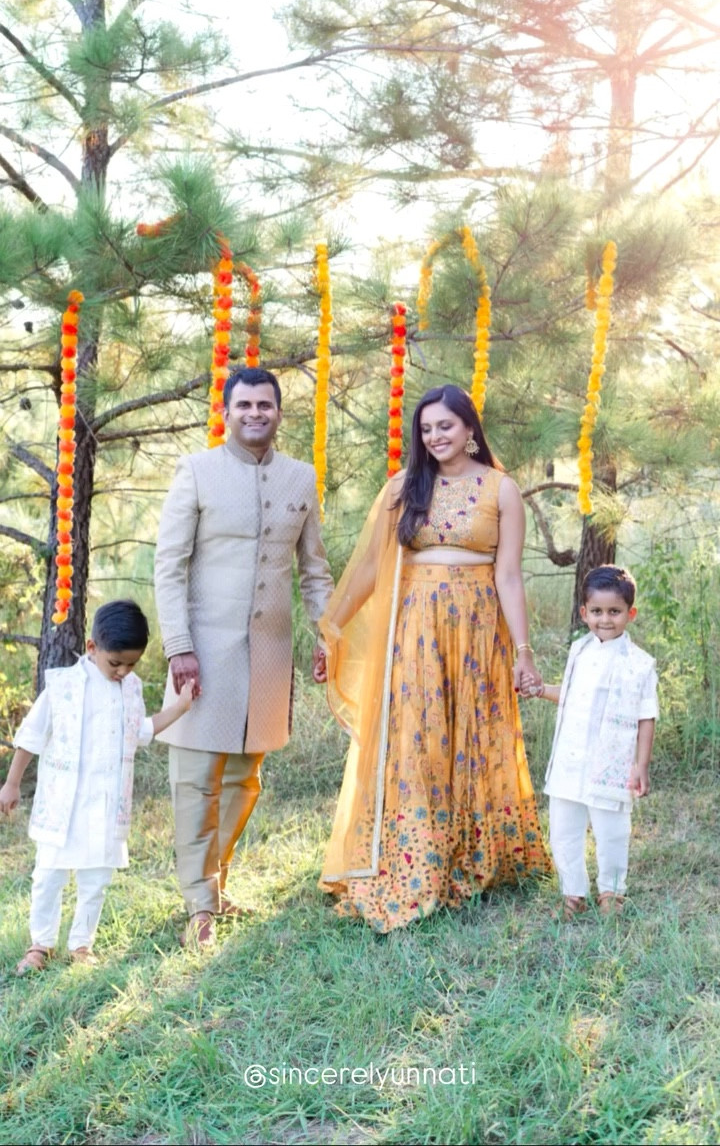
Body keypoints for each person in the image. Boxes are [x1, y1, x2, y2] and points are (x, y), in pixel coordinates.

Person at [318, 383, 552, 932]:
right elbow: (375, 569)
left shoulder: (501, 489)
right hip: (417, 627)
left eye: (445, 425)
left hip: (477, 629)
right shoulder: (404, 487)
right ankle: (416, 859)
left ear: (470, 428)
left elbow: (510, 575)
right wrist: (333, 625)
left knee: (474, 733)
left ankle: (477, 851)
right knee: (419, 736)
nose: (435, 436)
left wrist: (523, 652)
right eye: (426, 429)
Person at [154, 366, 333, 946]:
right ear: (226, 411)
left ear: (279, 413)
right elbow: (169, 565)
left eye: (266, 405)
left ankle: (214, 882)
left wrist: (328, 633)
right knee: (196, 776)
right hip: (203, 647)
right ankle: (199, 904)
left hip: (269, 650)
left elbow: (314, 570)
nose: (256, 413)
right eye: (245, 405)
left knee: (245, 776)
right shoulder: (198, 471)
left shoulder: (301, 478)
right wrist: (179, 645)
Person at [0, 599, 193, 975]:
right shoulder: (63, 686)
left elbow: (142, 732)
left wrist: (181, 707)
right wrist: (10, 784)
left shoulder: (131, 688)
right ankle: (41, 943)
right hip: (63, 803)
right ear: (92, 648)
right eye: (115, 663)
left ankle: (81, 944)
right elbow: (31, 737)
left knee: (95, 879)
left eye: (131, 664)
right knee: (48, 876)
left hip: (105, 804)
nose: (123, 671)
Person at [523, 565, 657, 918]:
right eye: (597, 612)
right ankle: (573, 893)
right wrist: (540, 691)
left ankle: (612, 892)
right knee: (564, 831)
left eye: (615, 612)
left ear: (631, 614)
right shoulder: (578, 651)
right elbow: (568, 695)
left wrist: (641, 765)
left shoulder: (640, 664)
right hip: (571, 759)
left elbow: (646, 716)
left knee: (611, 832)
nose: (605, 620)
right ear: (584, 613)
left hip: (611, 763)